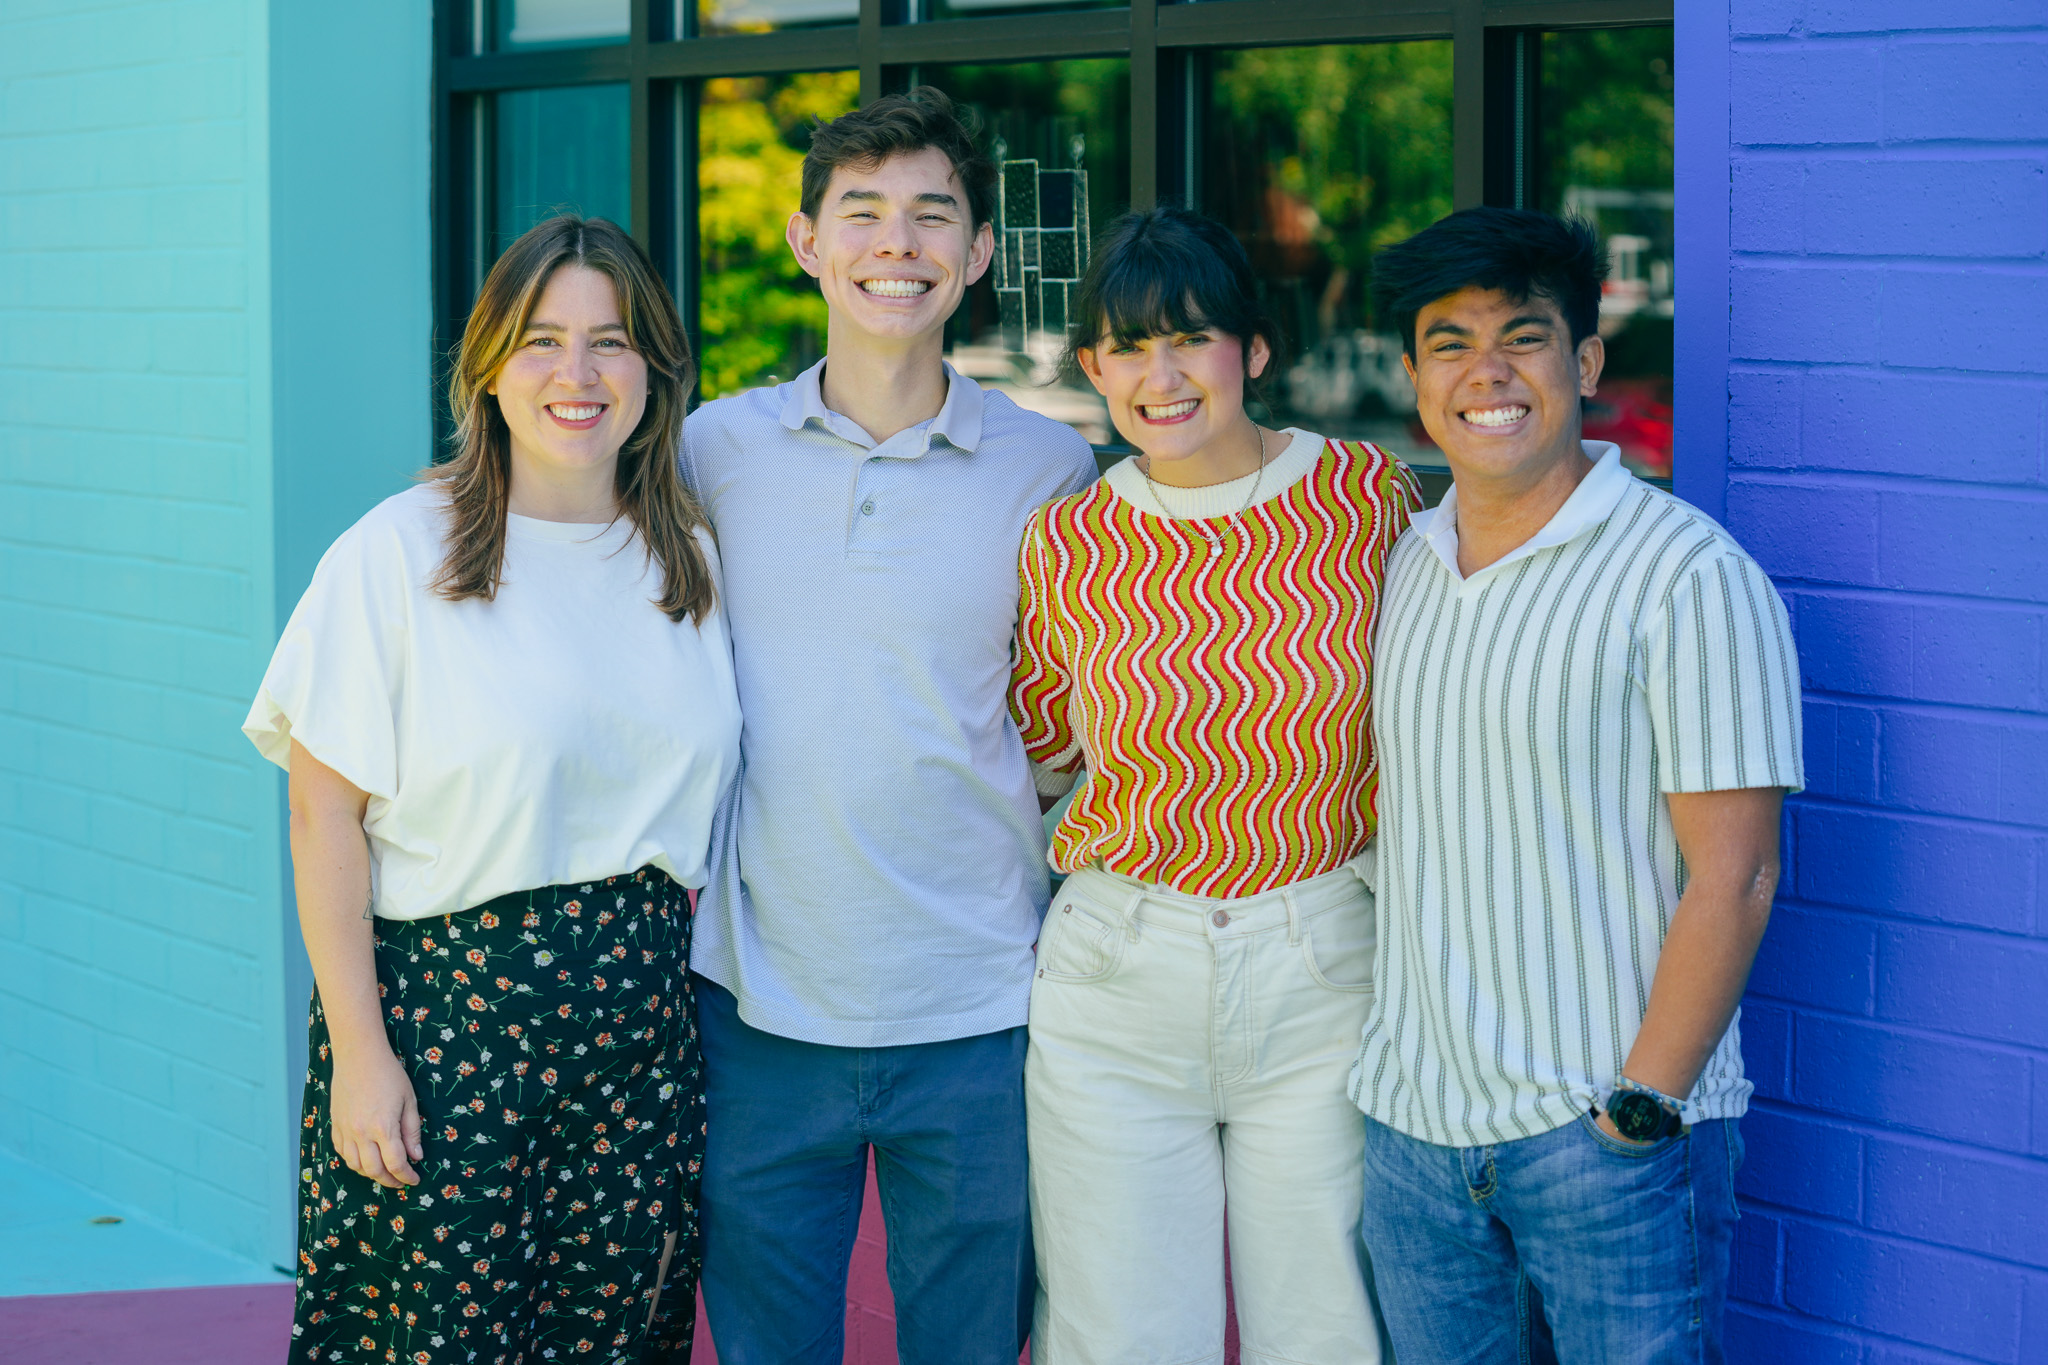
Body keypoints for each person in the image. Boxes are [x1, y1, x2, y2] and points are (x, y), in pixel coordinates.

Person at [244, 215, 739, 1365]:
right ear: (487, 366)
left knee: (618, 1338)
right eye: (541, 341)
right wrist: (363, 1057)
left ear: (655, 369)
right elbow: (323, 816)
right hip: (451, 1023)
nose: (577, 374)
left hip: (642, 1033)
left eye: (610, 342)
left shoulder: (689, 560)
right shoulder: (396, 553)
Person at [681, 88, 1099, 1364]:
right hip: (756, 1010)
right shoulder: (708, 452)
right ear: (807, 241)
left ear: (977, 255)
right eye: (860, 213)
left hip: (980, 1008)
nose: (895, 244)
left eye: (931, 215)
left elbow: (1072, 723)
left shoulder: (1050, 469)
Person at [1349, 206, 1803, 1363]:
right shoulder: (1402, 561)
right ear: (1410, 375)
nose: (1485, 373)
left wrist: (1636, 1109)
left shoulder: (1686, 575)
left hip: (1602, 1143)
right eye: (1448, 342)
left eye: (1523, 336)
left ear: (1584, 362)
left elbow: (1736, 875)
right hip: (1413, 1135)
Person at [1010, 205, 1420, 1365]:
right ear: (1092, 368)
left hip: (1324, 967)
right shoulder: (1065, 544)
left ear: (1252, 349)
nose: (1160, 375)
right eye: (1128, 348)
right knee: (1121, 1338)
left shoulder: (1362, 499)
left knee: (1331, 1330)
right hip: (1117, 973)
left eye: (1189, 338)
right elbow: (1046, 754)